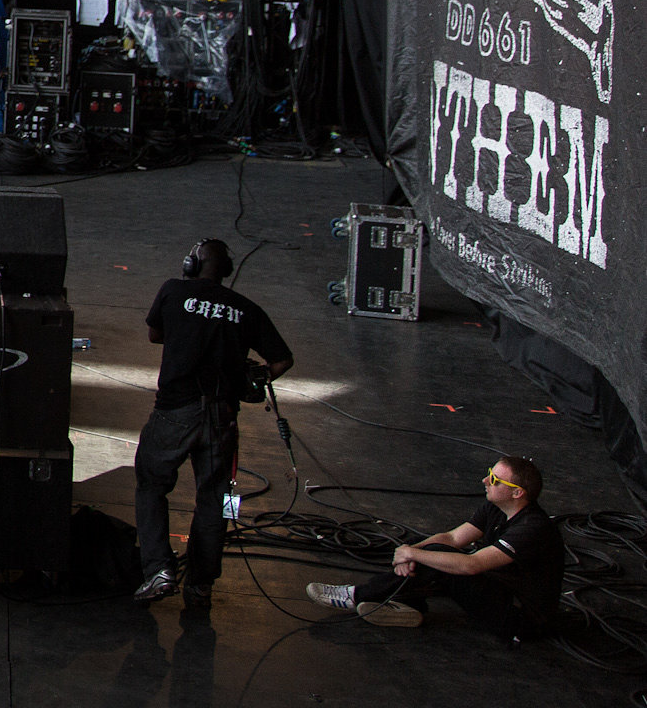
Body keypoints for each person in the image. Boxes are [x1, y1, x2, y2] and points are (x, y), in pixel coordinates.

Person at [131, 238, 293, 608]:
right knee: (215, 499)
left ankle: (158, 569)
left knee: (151, 484)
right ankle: (201, 584)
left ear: (191, 264)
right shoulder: (247, 309)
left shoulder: (174, 290)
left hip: (175, 411)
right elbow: (283, 360)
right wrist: (258, 374)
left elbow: (156, 333)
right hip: (222, 418)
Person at [308, 455, 565, 635]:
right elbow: (452, 538)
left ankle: (356, 596)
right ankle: (408, 606)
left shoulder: (532, 527)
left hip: (522, 619)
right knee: (432, 550)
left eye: (495, 480)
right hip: (501, 590)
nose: (485, 481)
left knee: (444, 561)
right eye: (489, 474)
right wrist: (410, 552)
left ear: (517, 493)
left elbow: (473, 565)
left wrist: (415, 554)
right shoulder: (495, 507)